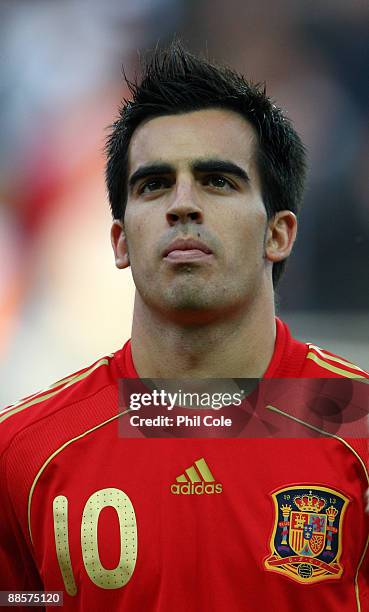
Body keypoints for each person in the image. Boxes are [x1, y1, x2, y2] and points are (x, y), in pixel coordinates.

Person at [0, 42, 368, 611]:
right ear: (120, 241)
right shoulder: (22, 451)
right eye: (154, 185)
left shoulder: (358, 424)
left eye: (218, 181)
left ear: (279, 233)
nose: (183, 206)